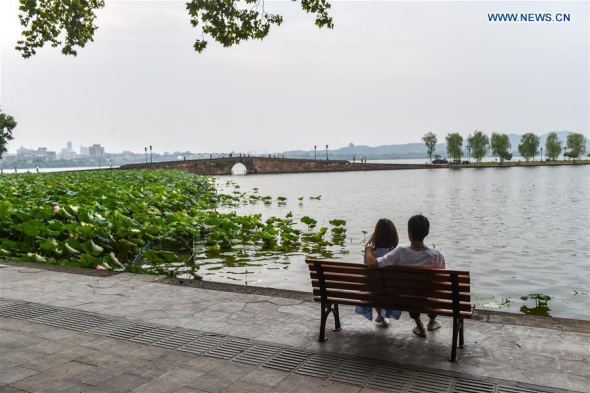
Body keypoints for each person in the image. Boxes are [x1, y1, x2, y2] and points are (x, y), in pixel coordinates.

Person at [365, 214, 445, 337]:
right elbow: (441, 282)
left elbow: (372, 264)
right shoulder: (437, 255)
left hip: (408, 299)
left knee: (412, 292)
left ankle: (420, 326)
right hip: (430, 299)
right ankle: (432, 321)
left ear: (409, 232)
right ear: (427, 232)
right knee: (432, 291)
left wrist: (368, 250)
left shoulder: (400, 251)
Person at [356, 218, 402, 326]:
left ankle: (380, 315)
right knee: (387, 285)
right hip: (392, 292)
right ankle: (384, 315)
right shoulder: (396, 252)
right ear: (393, 235)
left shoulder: (370, 253)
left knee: (375, 285)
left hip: (373, 290)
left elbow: (367, 272)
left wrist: (368, 249)